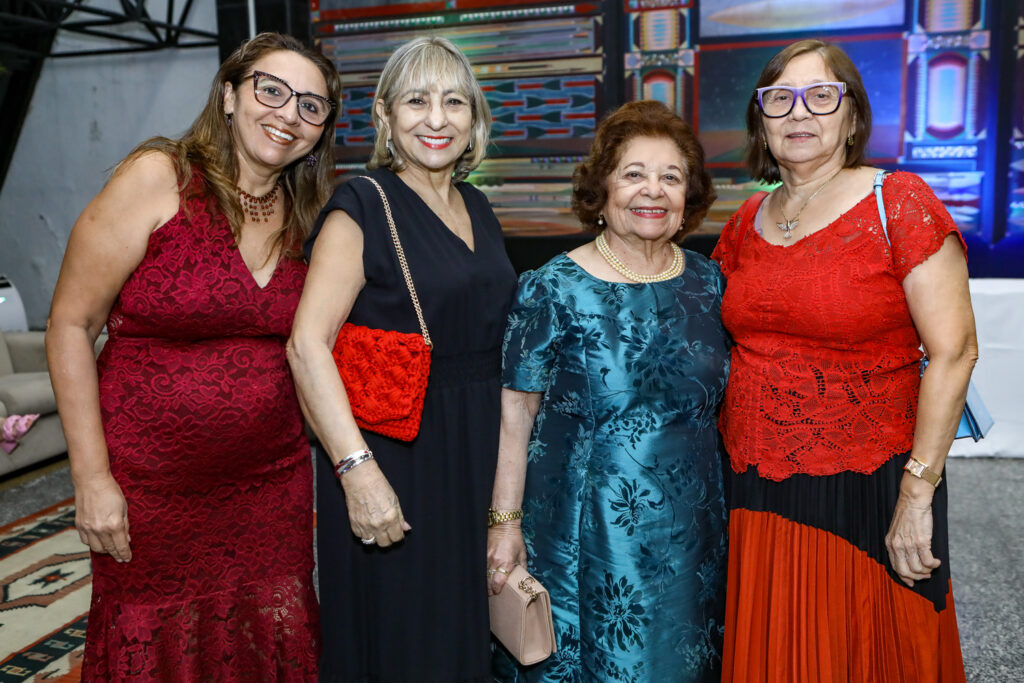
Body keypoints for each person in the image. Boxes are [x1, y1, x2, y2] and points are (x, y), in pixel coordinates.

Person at [45, 33, 340, 680]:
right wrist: (91, 478)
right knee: (153, 637)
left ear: (321, 132)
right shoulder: (160, 177)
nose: (289, 114)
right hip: (149, 487)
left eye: (311, 106)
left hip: (271, 487)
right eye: (272, 90)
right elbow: (71, 323)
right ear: (230, 95)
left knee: (269, 631)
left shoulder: (312, 214)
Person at [712, 39, 972, 682]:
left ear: (852, 117)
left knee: (860, 651)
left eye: (820, 95)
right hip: (752, 482)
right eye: (779, 99)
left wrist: (918, 491)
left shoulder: (899, 203)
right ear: (762, 121)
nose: (799, 113)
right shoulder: (746, 219)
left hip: (867, 481)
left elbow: (955, 353)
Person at [286, 36, 517, 682]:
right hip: (397, 461)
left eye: (453, 102)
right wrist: (356, 472)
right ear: (385, 117)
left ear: (474, 118)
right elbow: (306, 344)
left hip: (473, 455)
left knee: (464, 636)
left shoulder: (476, 204)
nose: (436, 119)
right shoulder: (361, 206)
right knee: (407, 641)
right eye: (417, 101)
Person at [487, 100, 729, 682]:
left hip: (697, 535)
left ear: (689, 196)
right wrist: (504, 524)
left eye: (672, 177)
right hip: (589, 535)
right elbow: (515, 421)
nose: (654, 191)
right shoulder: (552, 289)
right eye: (634, 174)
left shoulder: (709, 281)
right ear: (602, 189)